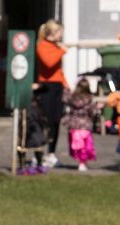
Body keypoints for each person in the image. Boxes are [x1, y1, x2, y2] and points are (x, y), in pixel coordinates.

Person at [34, 20, 68, 168]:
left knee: (56, 121)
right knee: (44, 121)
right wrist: (61, 51)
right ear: (53, 33)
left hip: (57, 86)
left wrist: (66, 84)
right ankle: (38, 154)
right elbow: (49, 63)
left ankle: (51, 153)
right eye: (60, 32)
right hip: (46, 87)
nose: (61, 35)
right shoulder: (42, 46)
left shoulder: (56, 46)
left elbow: (58, 71)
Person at [63, 79, 101, 172]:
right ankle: (83, 163)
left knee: (77, 146)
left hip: (74, 125)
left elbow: (64, 98)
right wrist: (98, 107)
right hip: (85, 125)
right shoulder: (89, 98)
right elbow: (92, 111)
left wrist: (66, 89)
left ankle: (81, 162)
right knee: (85, 146)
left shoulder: (72, 98)